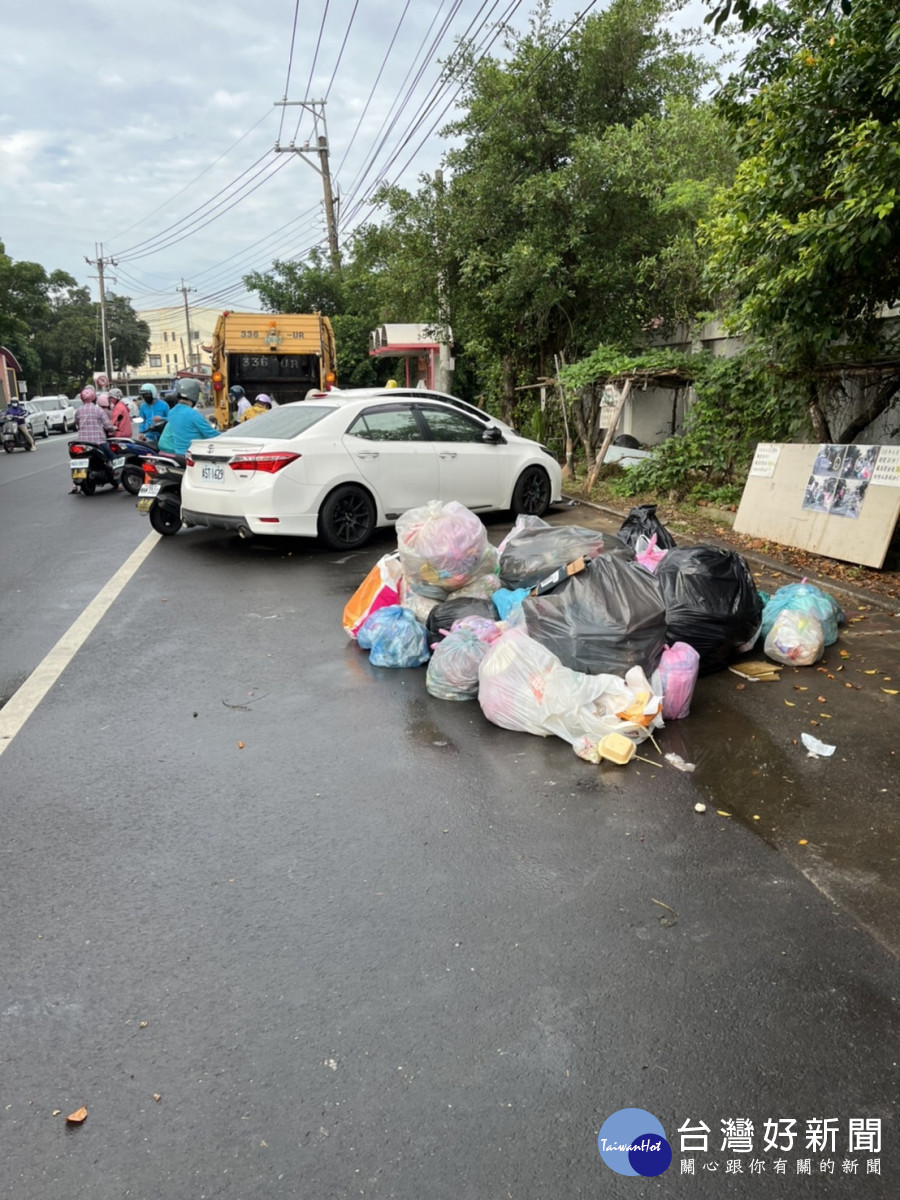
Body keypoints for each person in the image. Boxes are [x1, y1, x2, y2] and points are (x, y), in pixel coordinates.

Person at [157, 378, 219, 455]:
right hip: (193, 455)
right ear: (194, 394)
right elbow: (211, 434)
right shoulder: (193, 414)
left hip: (178, 454)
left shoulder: (171, 413)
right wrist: (226, 437)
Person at [71, 385, 115, 490]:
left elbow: (77, 424)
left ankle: (74, 485)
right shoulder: (98, 410)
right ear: (93, 397)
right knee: (113, 458)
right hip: (98, 442)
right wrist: (113, 428)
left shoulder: (78, 411)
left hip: (82, 443)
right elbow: (107, 426)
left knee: (76, 460)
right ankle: (120, 481)